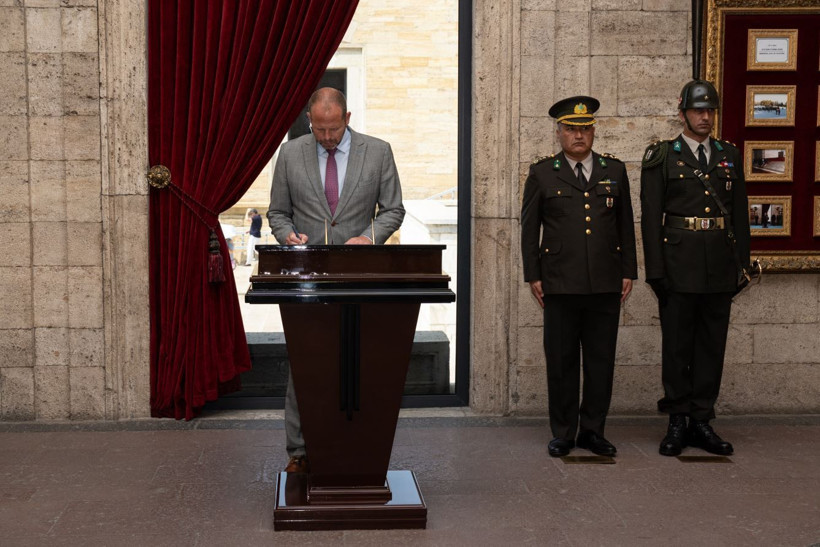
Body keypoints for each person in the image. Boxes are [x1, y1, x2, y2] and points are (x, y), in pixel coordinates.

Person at [267, 87, 405, 473]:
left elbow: (394, 209)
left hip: (361, 276)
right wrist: (287, 235)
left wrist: (371, 237)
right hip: (308, 277)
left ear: (347, 118)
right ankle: (299, 451)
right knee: (305, 362)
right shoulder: (291, 153)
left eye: (333, 129)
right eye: (318, 129)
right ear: (310, 121)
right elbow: (278, 213)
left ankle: (360, 444)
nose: (326, 138)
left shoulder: (377, 151)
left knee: (362, 360)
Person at [521, 96, 637, 458]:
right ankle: (563, 431)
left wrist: (628, 271)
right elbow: (529, 229)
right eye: (571, 129)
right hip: (559, 282)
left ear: (593, 131)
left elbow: (625, 226)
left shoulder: (614, 171)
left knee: (601, 361)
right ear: (558, 133)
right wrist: (533, 275)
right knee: (561, 360)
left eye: (585, 129)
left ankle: (593, 431)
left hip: (605, 281)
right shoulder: (542, 173)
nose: (578, 136)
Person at [640, 80, 750, 457]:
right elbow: (651, 217)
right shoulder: (662, 156)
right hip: (677, 265)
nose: (706, 117)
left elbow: (739, 215)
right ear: (682, 112)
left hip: (719, 266)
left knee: (711, 346)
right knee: (676, 348)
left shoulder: (729, 155)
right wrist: (655, 270)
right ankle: (677, 421)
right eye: (699, 110)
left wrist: (742, 266)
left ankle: (702, 420)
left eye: (710, 111)